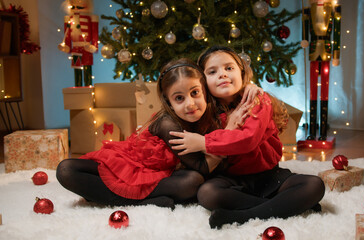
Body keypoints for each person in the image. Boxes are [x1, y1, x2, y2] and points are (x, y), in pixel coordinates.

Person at [169, 46, 325, 228]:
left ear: (242, 73)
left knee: (315, 185)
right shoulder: (204, 111)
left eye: (229, 68)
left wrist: (204, 142)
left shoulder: (258, 100)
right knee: (207, 193)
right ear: (203, 82)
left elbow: (248, 140)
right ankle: (283, 206)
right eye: (212, 72)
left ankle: (245, 215)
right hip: (232, 179)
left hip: (268, 175)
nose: (222, 75)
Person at [56, 58, 232, 208]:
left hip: (161, 175)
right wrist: (221, 148)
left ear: (205, 92)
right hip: (131, 166)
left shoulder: (210, 115)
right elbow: (202, 166)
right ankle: (137, 201)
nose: (190, 104)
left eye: (195, 93)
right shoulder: (168, 124)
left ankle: (103, 194)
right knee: (66, 170)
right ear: (169, 103)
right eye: (179, 98)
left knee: (192, 181)